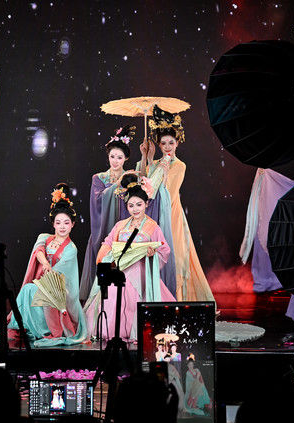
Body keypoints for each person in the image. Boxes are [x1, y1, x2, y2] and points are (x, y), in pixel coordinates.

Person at [136, 105, 214, 303]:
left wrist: (159, 170)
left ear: (177, 143)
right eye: (163, 143)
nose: (168, 147)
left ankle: (176, 299)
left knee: (175, 255)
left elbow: (166, 192)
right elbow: (142, 183)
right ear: (159, 144)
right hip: (152, 213)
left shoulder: (179, 166)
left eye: (171, 142)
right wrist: (147, 156)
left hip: (171, 213)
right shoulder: (155, 163)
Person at [84, 174, 175, 341]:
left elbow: (164, 249)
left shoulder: (152, 227)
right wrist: (106, 257)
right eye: (131, 205)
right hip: (120, 270)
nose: (135, 209)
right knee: (112, 294)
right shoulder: (120, 225)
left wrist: (152, 254)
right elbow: (108, 243)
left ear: (146, 204)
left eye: (139, 204)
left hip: (141, 272)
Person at [7, 184, 88, 346]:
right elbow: (38, 250)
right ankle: (24, 327)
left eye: (66, 222)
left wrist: (48, 272)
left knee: (34, 290)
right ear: (53, 224)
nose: (62, 226)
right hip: (42, 282)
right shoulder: (44, 237)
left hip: (58, 288)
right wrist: (45, 263)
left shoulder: (71, 249)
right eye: (58, 222)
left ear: (73, 224)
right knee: (27, 289)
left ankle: (47, 330)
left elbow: (59, 275)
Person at [79, 125, 136, 301]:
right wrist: (117, 184)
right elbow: (97, 201)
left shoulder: (131, 178)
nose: (115, 161)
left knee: (122, 274)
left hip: (123, 232)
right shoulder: (98, 178)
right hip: (103, 230)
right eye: (112, 156)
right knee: (103, 273)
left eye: (119, 157)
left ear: (126, 158)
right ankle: (100, 306)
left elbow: (134, 204)